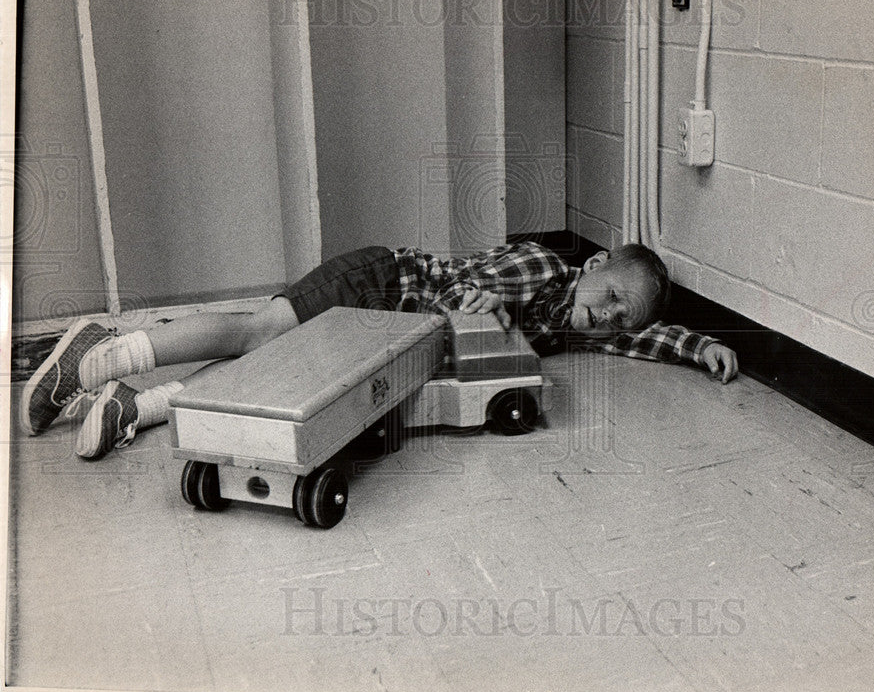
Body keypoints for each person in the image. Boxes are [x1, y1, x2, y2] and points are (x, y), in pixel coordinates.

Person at [20, 241, 739, 458]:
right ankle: (111, 351)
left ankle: (133, 406)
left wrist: (696, 345)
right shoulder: (546, 272)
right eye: (611, 297)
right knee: (260, 334)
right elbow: (474, 292)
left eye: (618, 320)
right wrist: (482, 306)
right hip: (379, 285)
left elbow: (643, 338)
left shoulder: (576, 320)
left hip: (383, 330)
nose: (607, 320)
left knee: (266, 375)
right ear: (593, 264)